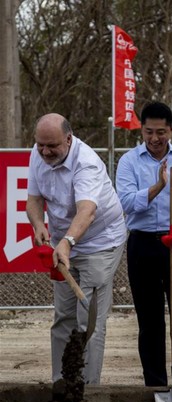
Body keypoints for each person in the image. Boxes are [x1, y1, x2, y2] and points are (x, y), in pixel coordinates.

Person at [26, 113, 127, 384]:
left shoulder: (87, 163)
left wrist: (68, 242)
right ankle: (62, 383)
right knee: (64, 317)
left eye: (52, 146)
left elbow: (87, 211)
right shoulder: (38, 155)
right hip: (63, 243)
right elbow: (34, 200)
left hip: (99, 243)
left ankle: (87, 390)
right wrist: (38, 225)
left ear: (68, 140)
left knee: (88, 320)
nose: (45, 151)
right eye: (41, 145)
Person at [115, 101, 172, 387]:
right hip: (143, 245)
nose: (155, 139)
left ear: (171, 129)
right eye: (148, 132)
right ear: (141, 130)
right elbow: (126, 204)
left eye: (161, 132)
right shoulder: (129, 161)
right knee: (150, 319)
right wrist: (157, 187)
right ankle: (155, 384)